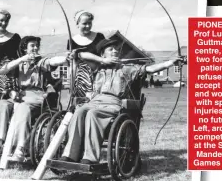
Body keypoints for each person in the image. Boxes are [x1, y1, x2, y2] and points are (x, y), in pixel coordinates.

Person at [60, 34, 184, 165]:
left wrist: (171, 63)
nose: (115, 51)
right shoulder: (98, 67)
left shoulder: (127, 68)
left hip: (113, 103)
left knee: (92, 114)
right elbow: (80, 55)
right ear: (103, 54)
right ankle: (70, 155)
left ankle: (90, 158)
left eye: (116, 49)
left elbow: (150, 69)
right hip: (95, 101)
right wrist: (102, 60)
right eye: (110, 49)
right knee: (79, 112)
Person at [0, 35, 68, 164]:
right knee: (0, 105)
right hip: (20, 96)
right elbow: (3, 70)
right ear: (25, 49)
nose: (35, 48)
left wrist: (66, 58)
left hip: (36, 96)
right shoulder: (20, 62)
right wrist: (22, 59)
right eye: (32, 46)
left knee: (22, 107)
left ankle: (20, 148)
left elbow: (53, 61)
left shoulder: (41, 61)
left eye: (37, 45)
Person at [68, 11, 105, 103]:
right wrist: (71, 84)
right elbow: (72, 64)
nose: (88, 26)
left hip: (98, 75)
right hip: (81, 79)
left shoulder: (99, 37)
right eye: (84, 24)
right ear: (77, 24)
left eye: (90, 23)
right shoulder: (72, 41)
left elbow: (104, 55)